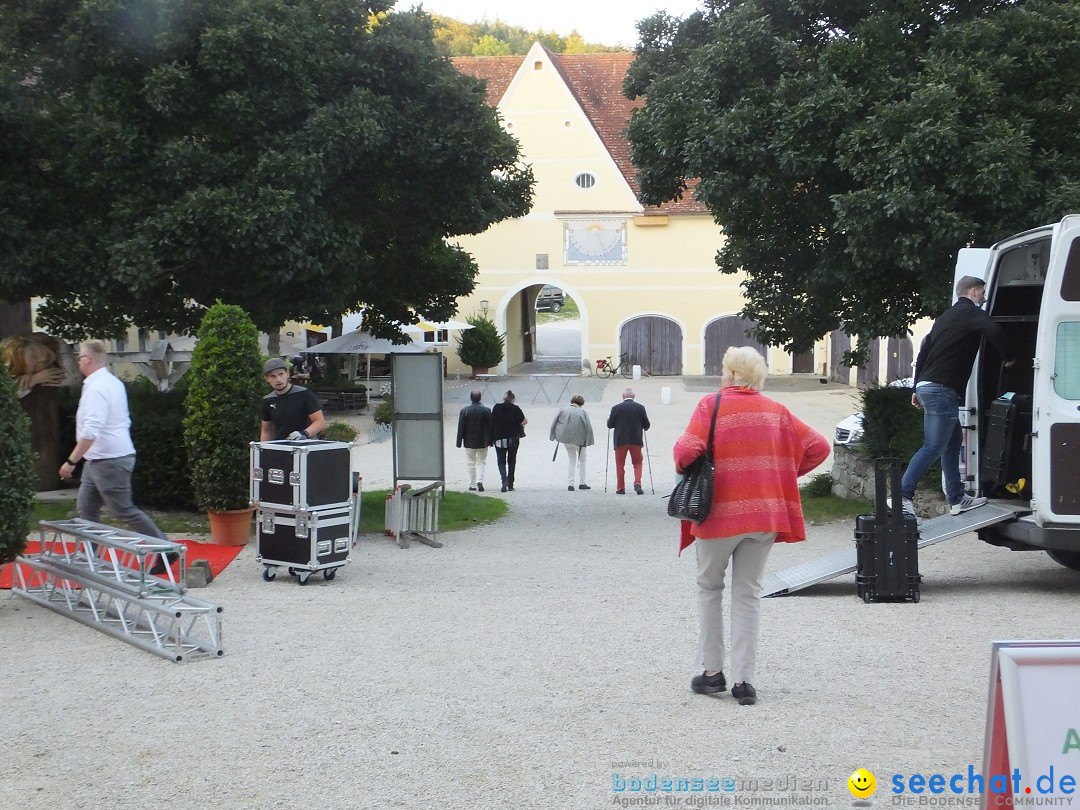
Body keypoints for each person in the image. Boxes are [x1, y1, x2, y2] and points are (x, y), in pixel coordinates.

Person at [673, 346, 829, 706]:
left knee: (710, 588)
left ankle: (712, 673)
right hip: (764, 518)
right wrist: (780, 474)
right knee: (748, 594)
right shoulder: (777, 412)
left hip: (718, 515)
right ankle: (744, 681)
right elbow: (818, 447)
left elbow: (685, 454)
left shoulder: (710, 406)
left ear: (729, 373)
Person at [902, 275, 1014, 518]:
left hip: (929, 385)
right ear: (973, 291)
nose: (984, 299)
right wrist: (1009, 358)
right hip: (942, 389)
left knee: (952, 445)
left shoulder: (944, 317)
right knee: (933, 446)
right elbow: (994, 330)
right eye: (982, 293)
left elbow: (923, 351)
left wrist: (916, 387)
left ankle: (956, 499)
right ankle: (903, 495)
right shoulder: (970, 312)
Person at [57, 340, 173, 572]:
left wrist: (71, 461)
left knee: (123, 509)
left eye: (80, 357)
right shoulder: (110, 382)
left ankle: (166, 549)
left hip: (108, 459)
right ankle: (89, 556)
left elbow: (91, 430)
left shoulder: (98, 388)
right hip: (99, 458)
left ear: (88, 360)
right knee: (87, 507)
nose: (78, 360)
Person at [260, 358, 326, 441]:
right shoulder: (268, 400)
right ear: (267, 379)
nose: (278, 379)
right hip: (280, 448)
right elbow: (267, 430)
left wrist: (304, 433)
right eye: (272, 376)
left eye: (281, 374)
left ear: (287, 374)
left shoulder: (304, 394)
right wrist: (263, 450)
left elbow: (320, 422)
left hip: (305, 447)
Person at [607, 387, 651, 494]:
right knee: (637, 463)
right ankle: (637, 483)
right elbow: (646, 425)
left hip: (620, 441)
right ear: (634, 396)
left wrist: (609, 419)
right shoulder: (640, 408)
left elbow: (610, 425)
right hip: (636, 440)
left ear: (623, 397)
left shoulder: (616, 408)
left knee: (620, 465)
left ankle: (620, 488)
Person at [550, 394, 595, 491]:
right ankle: (582, 483)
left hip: (566, 439)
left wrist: (554, 435)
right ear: (582, 403)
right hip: (579, 441)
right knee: (582, 460)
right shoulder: (583, 412)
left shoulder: (563, 409)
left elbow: (555, 422)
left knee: (572, 460)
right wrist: (589, 440)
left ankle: (570, 484)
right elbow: (588, 427)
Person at [490, 390, 528, 492]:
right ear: (513, 399)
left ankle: (504, 480)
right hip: (513, 439)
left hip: (499, 438)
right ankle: (510, 483)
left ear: (504, 398)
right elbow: (524, 420)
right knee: (512, 461)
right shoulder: (516, 409)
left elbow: (491, 422)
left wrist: (490, 438)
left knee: (501, 461)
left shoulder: (496, 407)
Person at [457, 390, 492, 491]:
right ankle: (479, 481)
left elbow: (461, 427)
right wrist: (491, 440)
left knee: (471, 462)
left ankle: (472, 484)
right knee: (482, 461)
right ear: (480, 398)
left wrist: (459, 442)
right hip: (483, 441)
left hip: (469, 441)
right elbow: (490, 427)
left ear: (471, 398)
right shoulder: (486, 410)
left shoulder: (465, 410)